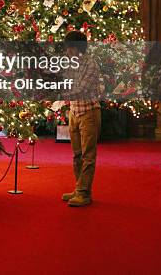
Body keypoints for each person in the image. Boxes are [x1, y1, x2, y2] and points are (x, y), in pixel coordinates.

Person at [62, 31, 101, 207]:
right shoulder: (69, 63)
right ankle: (79, 188)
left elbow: (81, 89)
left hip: (89, 113)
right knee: (76, 155)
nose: (67, 51)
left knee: (88, 155)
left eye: (70, 47)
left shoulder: (90, 65)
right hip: (74, 112)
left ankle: (84, 193)